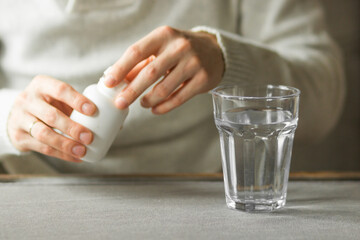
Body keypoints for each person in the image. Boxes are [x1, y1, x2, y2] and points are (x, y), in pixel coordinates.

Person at [0, 0, 345, 174]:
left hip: (206, 192)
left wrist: (225, 59)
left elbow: (324, 96)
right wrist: (10, 117)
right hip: (34, 186)